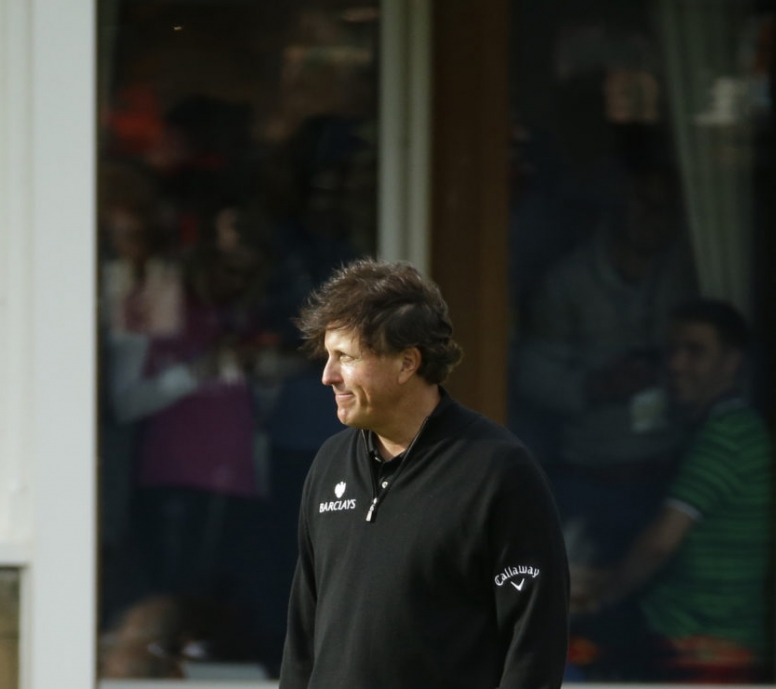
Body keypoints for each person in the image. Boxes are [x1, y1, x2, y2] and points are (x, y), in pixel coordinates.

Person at [280, 258, 569, 688]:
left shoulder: (496, 471)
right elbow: (303, 635)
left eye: (346, 357)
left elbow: (534, 644)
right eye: (328, 356)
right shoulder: (328, 464)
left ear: (406, 363)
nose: (328, 376)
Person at [570, 299, 772, 682]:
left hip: (701, 645)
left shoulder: (729, 435)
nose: (677, 364)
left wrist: (605, 595)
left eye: (695, 351)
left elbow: (661, 542)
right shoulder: (713, 430)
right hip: (692, 635)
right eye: (673, 351)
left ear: (732, 362)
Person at [512, 161, 697, 566]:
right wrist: (596, 386)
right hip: (593, 478)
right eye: (643, 203)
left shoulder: (688, 271)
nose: (654, 217)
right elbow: (530, 373)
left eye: (666, 207)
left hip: (669, 476)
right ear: (617, 208)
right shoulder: (570, 282)